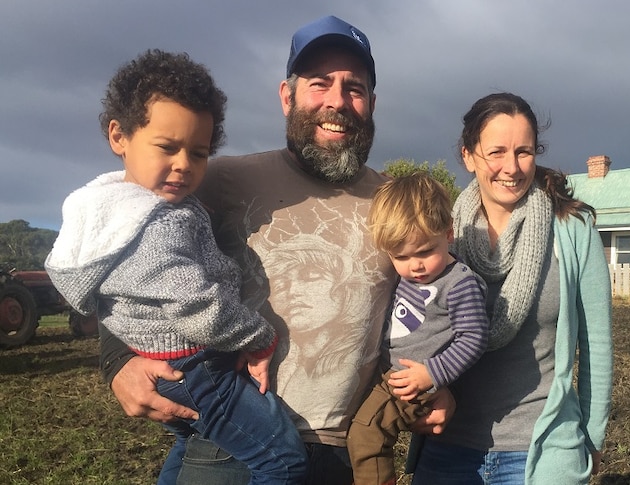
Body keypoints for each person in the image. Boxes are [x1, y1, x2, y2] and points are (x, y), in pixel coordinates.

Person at [96, 16, 454, 485]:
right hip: (232, 446)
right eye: (319, 84)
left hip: (346, 452)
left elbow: (442, 296)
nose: (337, 102)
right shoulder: (221, 179)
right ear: (287, 96)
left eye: (355, 88)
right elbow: (125, 251)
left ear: (371, 104)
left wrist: (441, 387)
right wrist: (117, 361)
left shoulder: (396, 203)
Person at [45, 50, 308, 484]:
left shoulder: (111, 210)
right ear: (119, 135)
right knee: (283, 461)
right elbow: (194, 303)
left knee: (188, 442)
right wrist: (260, 337)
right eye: (167, 147)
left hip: (173, 367)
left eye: (199, 153)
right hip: (195, 364)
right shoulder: (153, 224)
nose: (184, 165)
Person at [409, 92, 614, 484]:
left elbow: (597, 343)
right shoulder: (440, 235)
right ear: (468, 156)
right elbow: (409, 328)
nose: (512, 167)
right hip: (449, 450)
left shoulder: (572, 228)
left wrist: (594, 438)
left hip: (543, 450)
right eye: (496, 152)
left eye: (524, 151)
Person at [347, 173, 489, 485]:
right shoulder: (409, 277)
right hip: (397, 375)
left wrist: (432, 375)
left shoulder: (459, 282)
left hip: (418, 382)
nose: (416, 266)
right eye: (401, 257)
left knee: (366, 433)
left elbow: (475, 337)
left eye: (425, 251)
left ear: (449, 232)